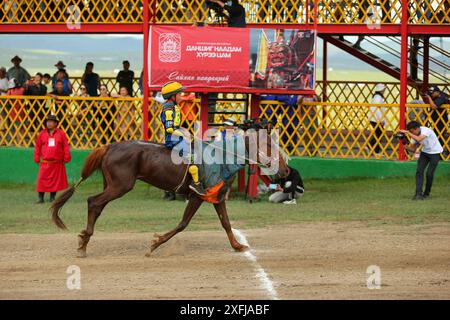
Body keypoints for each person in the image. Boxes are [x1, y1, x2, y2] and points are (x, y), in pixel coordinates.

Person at [160, 81, 206, 196]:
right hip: (172, 139)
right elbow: (170, 128)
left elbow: (176, 126)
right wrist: (184, 134)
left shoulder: (173, 106)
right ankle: (195, 183)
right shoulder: (168, 108)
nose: (182, 96)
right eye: (179, 94)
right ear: (172, 96)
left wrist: (184, 131)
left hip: (176, 136)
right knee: (192, 155)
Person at [399, 121, 443, 200]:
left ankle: (426, 193)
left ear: (417, 128)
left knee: (429, 174)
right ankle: (418, 194)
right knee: (419, 171)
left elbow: (419, 139)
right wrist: (403, 143)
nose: (412, 133)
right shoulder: (414, 135)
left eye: (412, 131)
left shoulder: (425, 130)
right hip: (425, 153)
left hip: (435, 153)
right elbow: (412, 149)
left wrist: (408, 133)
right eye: (410, 132)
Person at [34, 114, 71, 203]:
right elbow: (37, 146)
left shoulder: (61, 134)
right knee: (41, 180)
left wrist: (67, 156)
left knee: (55, 182)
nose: (49, 123)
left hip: (57, 162)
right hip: (45, 162)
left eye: (51, 122)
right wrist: (36, 157)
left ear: (55, 124)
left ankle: (52, 197)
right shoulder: (42, 134)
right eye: (48, 122)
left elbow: (65, 146)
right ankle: (40, 198)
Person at [422, 86, 448, 153]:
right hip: (436, 120)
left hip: (441, 120)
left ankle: (440, 153)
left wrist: (429, 98)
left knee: (439, 137)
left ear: (437, 92)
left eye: (432, 93)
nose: (431, 94)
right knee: (436, 136)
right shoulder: (435, 97)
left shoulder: (441, 97)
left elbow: (434, 107)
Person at [366, 83, 387, 155]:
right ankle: (370, 147)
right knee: (379, 134)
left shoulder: (376, 96)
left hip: (374, 118)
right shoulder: (378, 97)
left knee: (378, 134)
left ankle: (374, 149)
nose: (384, 90)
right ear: (381, 89)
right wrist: (381, 120)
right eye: (384, 89)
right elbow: (377, 109)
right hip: (376, 119)